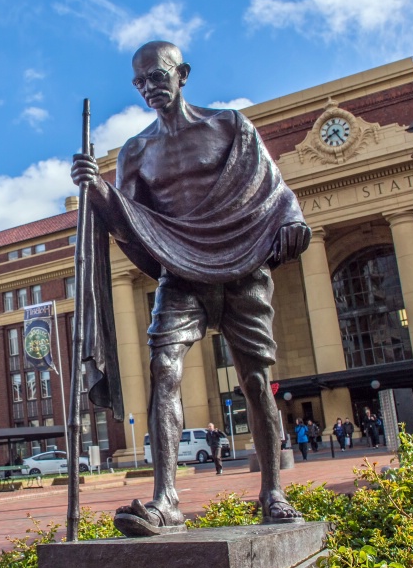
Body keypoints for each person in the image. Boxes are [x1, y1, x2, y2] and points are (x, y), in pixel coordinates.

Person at [71, 40, 309, 537]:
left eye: (157, 77)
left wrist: (292, 220)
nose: (148, 88)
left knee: (256, 381)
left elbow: (274, 188)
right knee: (163, 366)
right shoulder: (136, 151)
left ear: (183, 74)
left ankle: (273, 493)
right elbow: (131, 223)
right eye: (139, 83)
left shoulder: (229, 127)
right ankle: (167, 500)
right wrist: (98, 193)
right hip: (181, 274)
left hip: (241, 267)